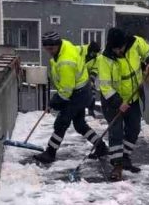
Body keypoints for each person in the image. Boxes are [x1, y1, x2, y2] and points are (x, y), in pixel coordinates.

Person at [95, 27, 149, 181]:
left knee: (134, 129)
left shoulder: (136, 43)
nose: (118, 51)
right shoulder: (105, 59)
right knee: (116, 132)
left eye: (120, 48)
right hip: (112, 100)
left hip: (133, 97)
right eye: (115, 49)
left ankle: (125, 158)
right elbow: (105, 86)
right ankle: (117, 165)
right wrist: (118, 102)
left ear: (125, 43)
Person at [34, 32, 100, 165]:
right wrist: (90, 47)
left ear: (58, 45)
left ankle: (50, 153)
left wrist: (54, 102)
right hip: (81, 90)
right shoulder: (66, 45)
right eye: (47, 49)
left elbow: (66, 91)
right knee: (80, 125)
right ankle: (101, 147)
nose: (49, 52)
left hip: (78, 93)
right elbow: (81, 49)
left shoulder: (65, 62)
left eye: (51, 49)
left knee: (61, 122)